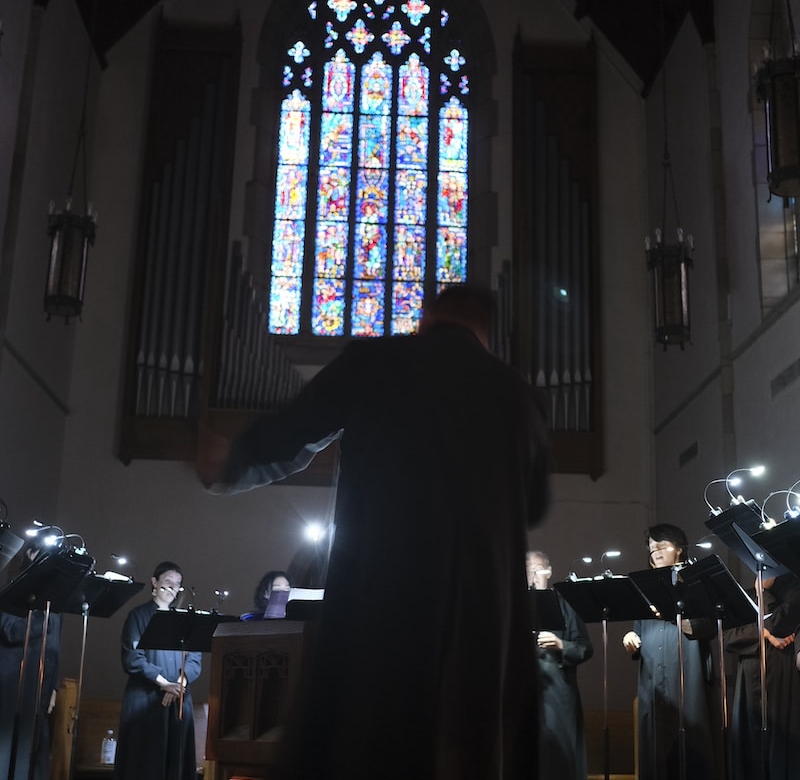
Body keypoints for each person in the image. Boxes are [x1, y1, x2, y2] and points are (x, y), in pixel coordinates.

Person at [198, 284, 551, 779]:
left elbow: (296, 429)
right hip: (481, 621)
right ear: (486, 334)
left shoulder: (378, 361)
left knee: (368, 738)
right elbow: (534, 506)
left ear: (426, 319)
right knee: (467, 747)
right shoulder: (519, 396)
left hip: (384, 594)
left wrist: (234, 461)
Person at [621, 523, 719, 780]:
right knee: (655, 749)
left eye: (662, 546)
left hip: (687, 675)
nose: (655, 552)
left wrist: (683, 621)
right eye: (652, 549)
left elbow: (712, 624)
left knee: (692, 745)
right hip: (653, 679)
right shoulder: (644, 589)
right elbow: (638, 631)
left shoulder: (695, 582)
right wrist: (631, 637)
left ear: (679, 549)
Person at [114, 561, 202, 780]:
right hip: (146, 699)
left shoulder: (184, 619)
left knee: (176, 762)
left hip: (179, 699)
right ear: (154, 582)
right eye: (167, 582)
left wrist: (178, 685)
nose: (172, 588)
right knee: (144, 762)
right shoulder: (138, 616)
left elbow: (194, 658)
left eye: (177, 584)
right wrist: (164, 684)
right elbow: (133, 658)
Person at [725, 571, 800, 780]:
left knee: (781, 742)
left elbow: (779, 623)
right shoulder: (745, 596)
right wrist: (766, 634)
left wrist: (764, 593)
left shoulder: (793, 589)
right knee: (750, 741)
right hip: (749, 674)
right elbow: (728, 638)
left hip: (782, 673)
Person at [526, 550, 593, 780]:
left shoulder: (565, 605)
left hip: (558, 692)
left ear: (549, 571)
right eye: (528, 570)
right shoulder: (515, 606)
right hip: (523, 692)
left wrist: (560, 644)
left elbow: (585, 648)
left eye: (538, 570)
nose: (533, 575)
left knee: (560, 758)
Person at [0, 538, 62, 780]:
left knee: (34, 748)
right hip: (13, 684)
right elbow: (11, 631)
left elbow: (55, 646)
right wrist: (41, 617)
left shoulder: (54, 596)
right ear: (31, 553)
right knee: (10, 747)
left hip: (41, 683)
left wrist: (54, 687)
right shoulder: (14, 587)